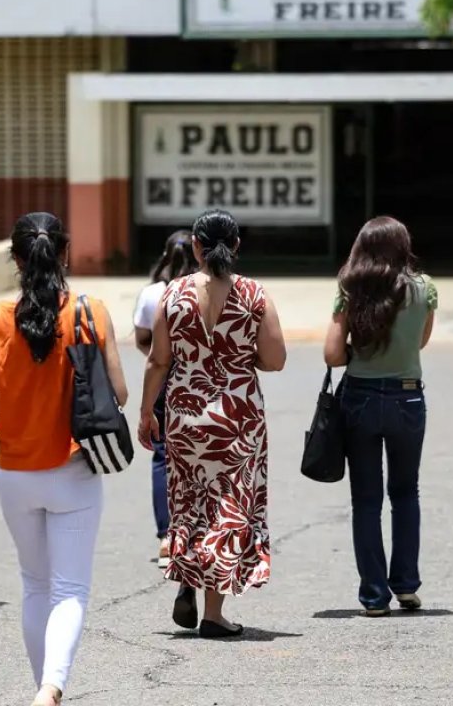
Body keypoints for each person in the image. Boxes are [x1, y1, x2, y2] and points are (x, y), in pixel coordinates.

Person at [0, 212, 127, 706]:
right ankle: (51, 689)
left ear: (15, 260)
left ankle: (45, 687)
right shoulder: (90, 312)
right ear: (64, 253)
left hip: (16, 473)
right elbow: (118, 392)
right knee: (69, 591)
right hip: (75, 471)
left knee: (35, 585)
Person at [137, 209, 287, 638]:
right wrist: (243, 359)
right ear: (236, 246)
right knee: (229, 506)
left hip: (184, 415)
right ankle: (214, 613)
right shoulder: (254, 295)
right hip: (237, 418)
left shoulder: (173, 294)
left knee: (190, 502)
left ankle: (189, 578)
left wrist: (148, 413)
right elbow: (275, 360)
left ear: (197, 247)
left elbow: (158, 360)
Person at [323, 216, 437, 617]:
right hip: (408, 399)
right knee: (406, 493)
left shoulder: (350, 291)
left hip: (361, 399)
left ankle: (374, 596)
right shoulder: (424, 288)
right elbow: (420, 341)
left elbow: (333, 355)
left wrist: (361, 353)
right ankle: (405, 585)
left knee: (365, 501)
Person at [133, 229, 198, 568]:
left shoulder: (152, 294)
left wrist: (163, 356)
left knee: (162, 457)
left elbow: (143, 340)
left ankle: (166, 536)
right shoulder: (204, 290)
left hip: (164, 379)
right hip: (199, 381)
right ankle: (198, 534)